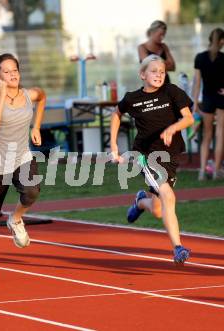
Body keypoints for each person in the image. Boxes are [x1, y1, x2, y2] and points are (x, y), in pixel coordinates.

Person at [110, 54, 194, 264]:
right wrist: (113, 145)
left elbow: (189, 118)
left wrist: (173, 128)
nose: (159, 75)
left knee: (158, 209)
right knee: (169, 196)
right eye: (154, 71)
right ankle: (178, 248)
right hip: (146, 156)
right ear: (142, 74)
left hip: (171, 155)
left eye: (162, 71)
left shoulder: (172, 91)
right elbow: (116, 114)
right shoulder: (132, 98)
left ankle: (141, 203)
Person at [0, 53, 46, 282]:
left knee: (32, 190)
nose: (13, 74)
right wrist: (2, 94)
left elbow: (43, 97)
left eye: (15, 70)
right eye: (6, 71)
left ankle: (15, 219)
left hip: (22, 157)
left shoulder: (28, 93)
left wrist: (36, 127)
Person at [192, 28, 224, 180]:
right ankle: (217, 170)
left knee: (207, 136)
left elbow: (197, 83)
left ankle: (202, 171)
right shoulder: (223, 58)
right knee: (220, 134)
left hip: (207, 98)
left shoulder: (200, 58)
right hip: (221, 98)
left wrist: (195, 103)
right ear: (221, 41)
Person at [138, 20, 176, 84]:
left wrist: (155, 62)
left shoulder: (164, 46)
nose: (162, 37)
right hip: (151, 85)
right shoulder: (142, 47)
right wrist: (165, 63)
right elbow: (149, 66)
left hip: (165, 84)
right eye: (160, 35)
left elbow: (173, 67)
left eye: (164, 35)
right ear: (152, 32)